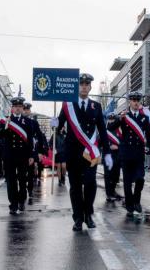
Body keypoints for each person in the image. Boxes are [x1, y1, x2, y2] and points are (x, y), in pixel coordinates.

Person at [56, 73, 111, 231]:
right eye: (81, 84)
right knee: (75, 187)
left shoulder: (96, 106)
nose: (84, 86)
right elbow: (59, 126)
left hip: (90, 154)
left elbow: (102, 129)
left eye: (87, 84)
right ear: (77, 86)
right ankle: (78, 218)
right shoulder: (68, 105)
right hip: (73, 153)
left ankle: (88, 214)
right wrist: (55, 124)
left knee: (90, 184)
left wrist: (106, 151)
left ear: (90, 87)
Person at [108, 91, 150, 217]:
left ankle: (136, 200)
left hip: (139, 153)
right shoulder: (124, 116)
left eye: (137, 100)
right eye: (133, 100)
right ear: (129, 102)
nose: (135, 102)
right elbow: (110, 127)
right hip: (126, 153)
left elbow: (149, 135)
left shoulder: (145, 117)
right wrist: (119, 118)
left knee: (140, 178)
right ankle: (129, 204)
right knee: (127, 182)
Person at [0, 97, 34, 215]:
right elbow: (0, 135)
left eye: (20, 107)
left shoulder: (27, 122)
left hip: (23, 155)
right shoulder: (7, 120)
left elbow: (30, 140)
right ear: (12, 108)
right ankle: (13, 204)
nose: (17, 109)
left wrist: (31, 156)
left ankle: (21, 201)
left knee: (22, 179)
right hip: (9, 155)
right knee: (11, 180)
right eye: (15, 107)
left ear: (22, 108)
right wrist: (6, 125)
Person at [23, 102, 48, 204]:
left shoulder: (34, 123)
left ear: (30, 111)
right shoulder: (18, 121)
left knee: (30, 171)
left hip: (31, 151)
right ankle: (23, 189)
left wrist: (41, 151)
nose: (26, 111)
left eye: (27, 110)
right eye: (24, 109)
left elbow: (40, 137)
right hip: (20, 151)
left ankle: (30, 189)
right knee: (21, 172)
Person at [104, 113, 123, 202]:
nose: (111, 121)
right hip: (108, 155)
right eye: (110, 119)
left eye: (113, 119)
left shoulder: (119, 131)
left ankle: (113, 191)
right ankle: (109, 194)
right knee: (108, 176)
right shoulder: (104, 130)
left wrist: (119, 147)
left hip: (117, 155)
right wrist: (109, 145)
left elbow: (123, 142)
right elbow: (100, 141)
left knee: (116, 175)